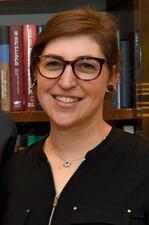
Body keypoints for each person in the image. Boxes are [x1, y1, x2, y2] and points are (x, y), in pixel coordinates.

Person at [1, 7, 149, 225]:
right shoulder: (9, 171)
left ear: (113, 77)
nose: (66, 82)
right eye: (53, 64)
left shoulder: (143, 166)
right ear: (35, 72)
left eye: (86, 66)